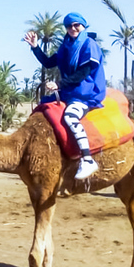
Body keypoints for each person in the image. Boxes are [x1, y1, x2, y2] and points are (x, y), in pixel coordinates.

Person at [24, 12, 106, 179]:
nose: (73, 28)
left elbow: (84, 72)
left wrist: (59, 84)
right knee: (43, 109)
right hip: (68, 92)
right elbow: (48, 63)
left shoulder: (89, 45)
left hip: (85, 93)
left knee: (70, 117)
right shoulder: (66, 46)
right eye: (69, 26)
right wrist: (35, 47)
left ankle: (88, 159)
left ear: (83, 26)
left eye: (76, 25)